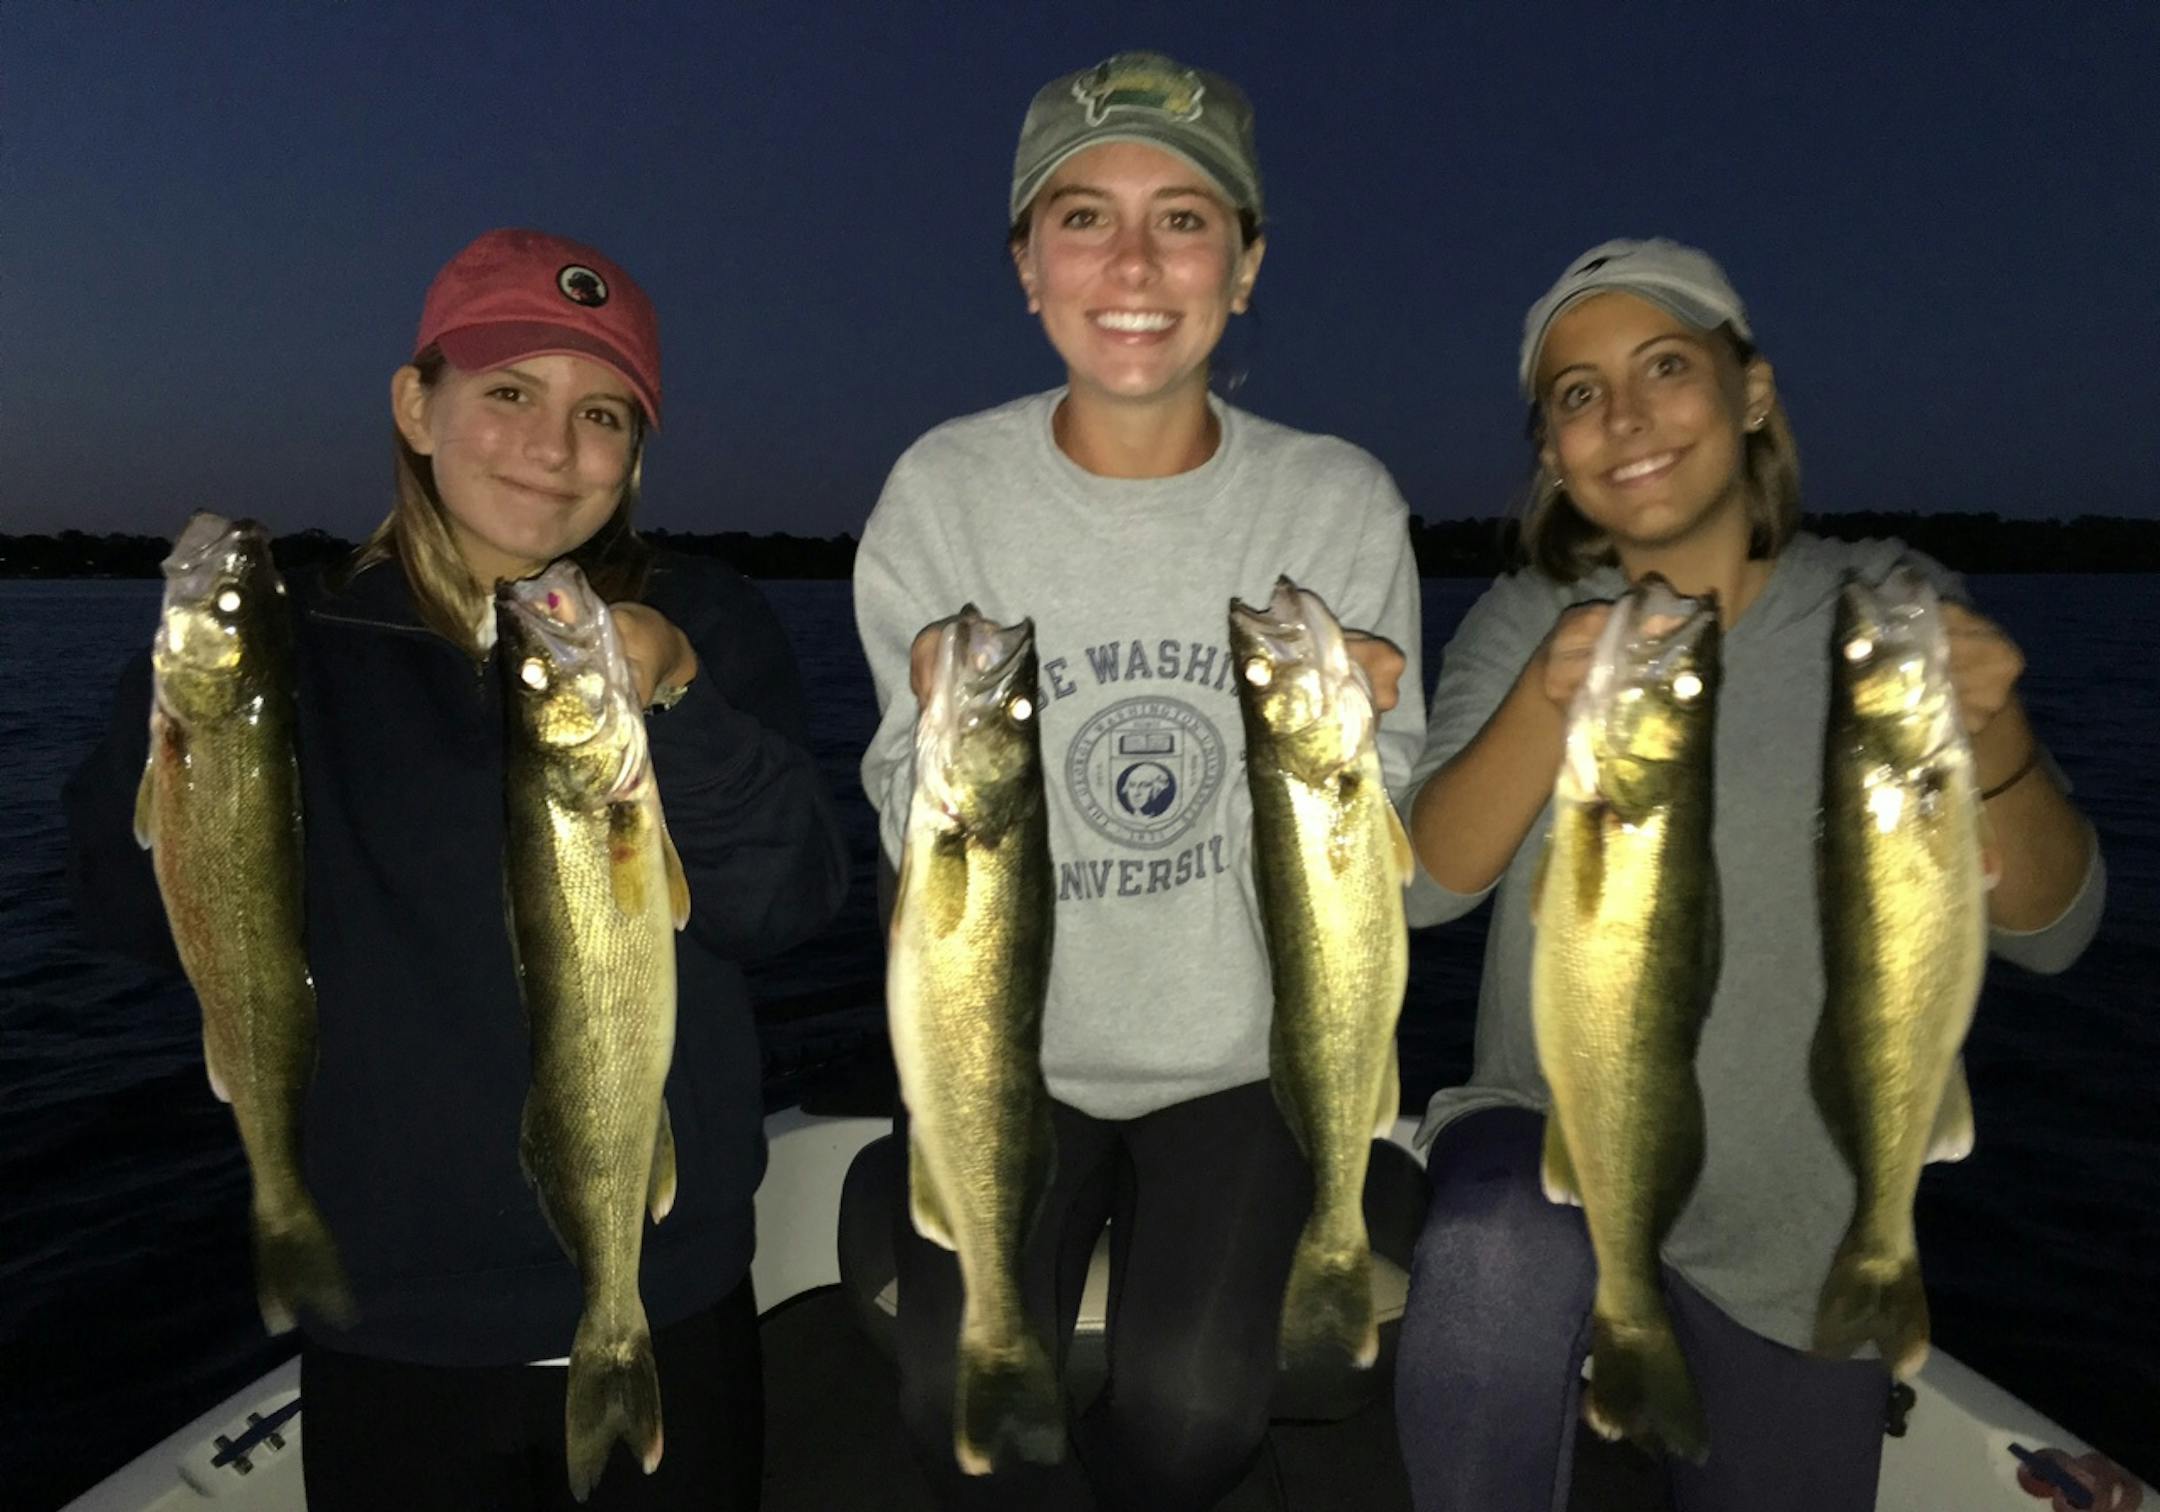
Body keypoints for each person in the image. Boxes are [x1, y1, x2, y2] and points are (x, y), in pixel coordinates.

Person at [63, 227, 849, 1510]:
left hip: (666, 1286)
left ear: (636, 454)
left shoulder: (705, 616)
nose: (553, 449)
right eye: (507, 394)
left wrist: (684, 699)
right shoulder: (300, 640)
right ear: (415, 406)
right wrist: (170, 719)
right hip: (396, 1321)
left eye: (601, 414)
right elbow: (124, 911)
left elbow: (783, 903)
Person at [1390, 238, 2105, 1512]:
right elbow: (1415, 891)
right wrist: (1544, 709)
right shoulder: (1523, 619)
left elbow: (2055, 930)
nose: (1625, 416)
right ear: (1554, 454)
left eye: (1666, 366)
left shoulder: (1887, 604)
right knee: (1494, 1254)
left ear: (1751, 391)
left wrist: (1994, 736)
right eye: (1577, 393)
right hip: (1555, 1139)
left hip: (1799, 1218)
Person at [852, 50, 1426, 1512]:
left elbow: (1383, 835)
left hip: (1241, 1061)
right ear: (1026, 265)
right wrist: (927, 727)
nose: (1133, 260)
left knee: (1193, 1417)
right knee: (959, 1403)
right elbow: (897, 807)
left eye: (1184, 219)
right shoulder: (941, 492)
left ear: (1245, 267)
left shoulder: (1335, 498)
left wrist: (1359, 739)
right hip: (1004, 1057)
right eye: (1081, 216)